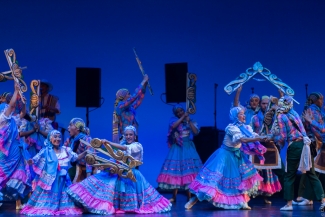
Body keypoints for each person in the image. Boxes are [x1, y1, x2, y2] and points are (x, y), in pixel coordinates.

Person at [66, 126, 172, 214]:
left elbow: (125, 149)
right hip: (118, 172)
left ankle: (129, 207)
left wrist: (108, 143)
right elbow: (114, 158)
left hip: (130, 173)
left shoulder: (137, 146)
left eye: (131, 135)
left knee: (129, 190)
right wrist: (105, 166)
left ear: (135, 136)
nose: (128, 136)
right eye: (126, 135)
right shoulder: (122, 145)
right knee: (101, 183)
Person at [184, 107, 265, 210]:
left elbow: (253, 135)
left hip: (236, 155)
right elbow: (243, 139)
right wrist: (258, 138)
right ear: (236, 116)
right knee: (213, 180)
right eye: (241, 114)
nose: (244, 116)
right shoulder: (231, 128)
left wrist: (266, 136)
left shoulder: (246, 128)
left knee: (241, 178)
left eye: (244, 114)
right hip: (224, 155)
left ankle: (243, 201)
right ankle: (194, 200)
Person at [268, 95, 325, 211]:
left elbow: (283, 136)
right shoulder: (294, 113)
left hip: (294, 146)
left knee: (289, 175)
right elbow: (303, 130)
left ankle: (288, 204)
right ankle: (323, 200)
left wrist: (272, 137)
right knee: (311, 174)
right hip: (305, 145)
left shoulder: (281, 117)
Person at [20, 130, 86, 215]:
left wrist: (86, 152)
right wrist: (30, 161)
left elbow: (76, 157)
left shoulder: (66, 150)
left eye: (59, 137)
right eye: (55, 137)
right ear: (50, 139)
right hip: (51, 180)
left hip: (64, 179)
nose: (58, 139)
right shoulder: (46, 151)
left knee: (65, 197)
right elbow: (35, 159)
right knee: (49, 200)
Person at [157, 105, 202, 202]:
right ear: (175, 114)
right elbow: (173, 126)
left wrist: (188, 120)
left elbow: (196, 132)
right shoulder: (173, 120)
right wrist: (183, 117)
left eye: (181, 111)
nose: (180, 113)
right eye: (178, 112)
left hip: (187, 147)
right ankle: (174, 196)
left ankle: (189, 196)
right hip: (177, 148)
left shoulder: (190, 121)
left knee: (188, 171)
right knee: (176, 171)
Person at [0, 83, 31, 208]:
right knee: (2, 174)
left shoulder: (12, 119)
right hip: (5, 152)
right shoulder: (2, 118)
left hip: (15, 150)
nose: (7, 108)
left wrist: (23, 102)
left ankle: (18, 202)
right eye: (5, 107)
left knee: (19, 173)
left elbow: (22, 114)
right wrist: (16, 91)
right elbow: (12, 106)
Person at [250, 95, 282, 204]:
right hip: (258, 147)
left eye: (266, 103)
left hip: (269, 146)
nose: (265, 105)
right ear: (260, 104)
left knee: (268, 171)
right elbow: (250, 132)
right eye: (263, 103)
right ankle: (250, 195)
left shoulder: (274, 117)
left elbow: (279, 130)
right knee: (256, 171)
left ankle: (266, 196)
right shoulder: (254, 118)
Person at [295, 92, 325, 206]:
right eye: (321, 99)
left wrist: (310, 120)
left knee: (314, 171)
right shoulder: (314, 110)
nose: (322, 102)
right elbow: (318, 130)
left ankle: (307, 197)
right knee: (313, 171)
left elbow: (322, 129)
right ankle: (307, 197)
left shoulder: (316, 111)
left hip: (318, 142)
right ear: (315, 100)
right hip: (316, 143)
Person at [112, 74, 149, 143]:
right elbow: (134, 97)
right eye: (128, 94)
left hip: (133, 138)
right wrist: (143, 81)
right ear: (123, 96)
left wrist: (144, 86)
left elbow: (139, 99)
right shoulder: (120, 107)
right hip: (125, 139)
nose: (130, 95)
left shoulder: (131, 108)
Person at [67, 118, 93, 183]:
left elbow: (90, 157)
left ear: (77, 128)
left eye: (70, 125)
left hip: (85, 170)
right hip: (76, 167)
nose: (68, 127)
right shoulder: (70, 140)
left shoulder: (87, 139)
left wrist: (88, 176)